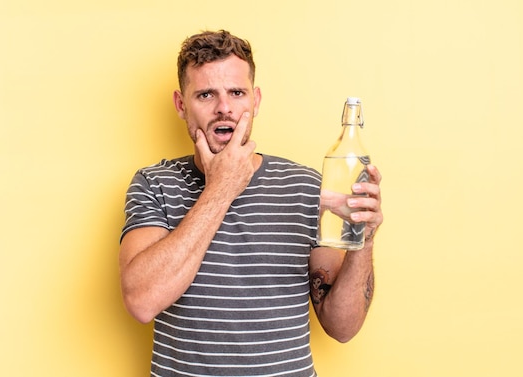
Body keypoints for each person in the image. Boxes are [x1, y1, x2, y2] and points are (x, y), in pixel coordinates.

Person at [119, 30, 383, 377]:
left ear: (255, 100)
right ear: (181, 105)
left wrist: (363, 238)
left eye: (237, 92)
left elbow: (342, 327)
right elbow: (141, 301)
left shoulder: (304, 186)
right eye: (206, 94)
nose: (224, 108)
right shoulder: (155, 184)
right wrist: (222, 187)